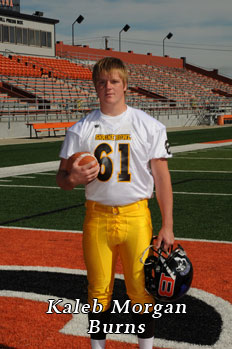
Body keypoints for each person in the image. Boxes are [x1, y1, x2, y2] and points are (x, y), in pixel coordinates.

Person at [56, 57, 174, 349]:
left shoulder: (148, 125)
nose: (108, 87)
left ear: (125, 85)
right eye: (102, 82)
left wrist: (167, 225)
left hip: (137, 217)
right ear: (95, 87)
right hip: (97, 217)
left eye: (114, 81)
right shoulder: (80, 129)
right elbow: (61, 178)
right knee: (97, 292)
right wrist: (73, 177)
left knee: (141, 291)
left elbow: (162, 178)